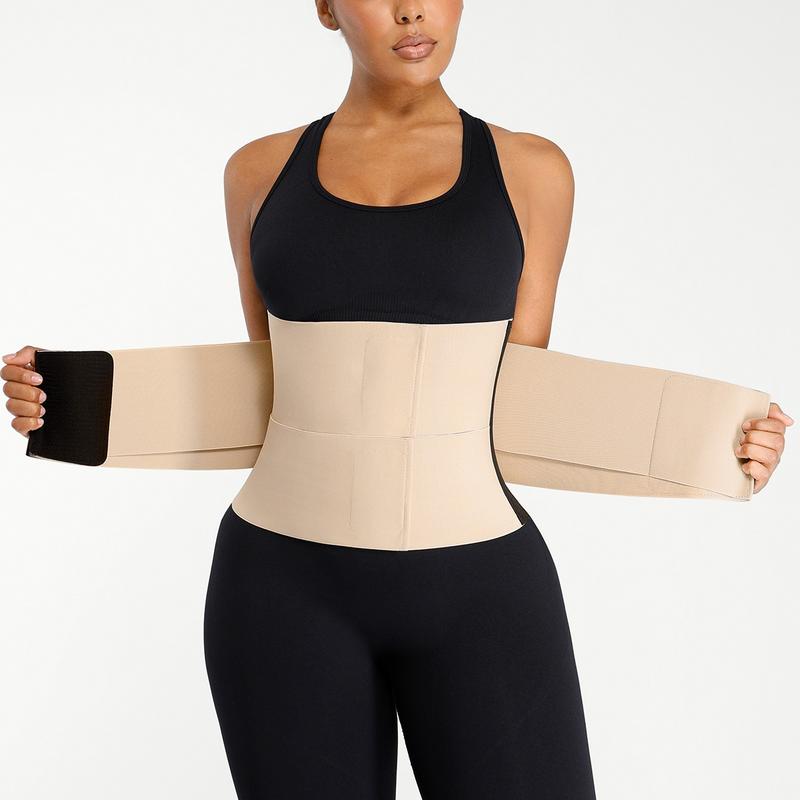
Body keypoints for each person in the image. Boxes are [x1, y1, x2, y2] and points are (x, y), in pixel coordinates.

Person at [2, 2, 792, 798]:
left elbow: (521, 402)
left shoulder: (532, 170)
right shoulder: (258, 172)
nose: (411, 8)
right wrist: (68, 403)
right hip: (281, 588)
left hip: (480, 592)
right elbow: (274, 389)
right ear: (326, 6)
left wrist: (721, 443)